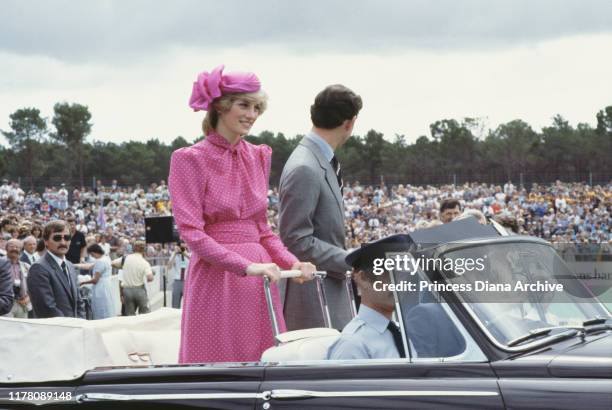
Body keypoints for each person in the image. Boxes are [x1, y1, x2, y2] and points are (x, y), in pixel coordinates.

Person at [168, 64, 315, 364]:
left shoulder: (258, 155)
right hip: (216, 276)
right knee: (217, 362)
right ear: (221, 107)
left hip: (259, 277)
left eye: (256, 107)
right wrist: (246, 267)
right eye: (243, 105)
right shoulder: (189, 159)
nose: (251, 114)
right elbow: (192, 232)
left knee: (263, 362)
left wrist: (293, 262)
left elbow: (262, 229)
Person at [279, 84, 363, 331]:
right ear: (349, 123)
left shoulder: (315, 160)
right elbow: (296, 240)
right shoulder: (305, 166)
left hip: (323, 292)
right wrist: (355, 260)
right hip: (312, 301)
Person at [327, 235, 410, 360]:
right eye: (391, 271)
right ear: (363, 279)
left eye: (403, 273)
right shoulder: (352, 345)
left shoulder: (403, 332)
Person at [27, 220, 85, 318]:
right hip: (56, 330)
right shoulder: (38, 268)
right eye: (57, 238)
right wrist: (70, 327)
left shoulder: (70, 266)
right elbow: (47, 308)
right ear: (46, 241)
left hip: (76, 329)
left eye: (67, 238)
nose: (63, 242)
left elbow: (79, 302)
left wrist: (80, 324)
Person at [111, 240, 153, 316]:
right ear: (144, 250)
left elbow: (113, 263)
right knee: (145, 314)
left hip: (127, 291)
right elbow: (150, 278)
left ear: (133, 248)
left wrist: (122, 267)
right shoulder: (144, 262)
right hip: (139, 290)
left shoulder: (125, 258)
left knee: (130, 316)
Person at [77, 244, 116, 319]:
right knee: (107, 306)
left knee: (100, 307)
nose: (92, 256)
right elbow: (89, 266)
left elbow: (95, 280)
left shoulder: (100, 262)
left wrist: (83, 283)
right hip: (107, 285)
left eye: (92, 254)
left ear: (94, 252)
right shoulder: (106, 258)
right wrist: (76, 265)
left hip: (101, 287)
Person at [3, 239, 32, 318]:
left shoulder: (26, 266)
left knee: (22, 328)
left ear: (21, 250)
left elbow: (32, 285)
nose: (15, 249)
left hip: (23, 304)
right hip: (5, 305)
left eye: (18, 247)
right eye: (11, 246)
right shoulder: (1, 264)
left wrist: (28, 297)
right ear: (6, 248)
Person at [167, 240, 191, 309]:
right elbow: (169, 267)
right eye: (180, 245)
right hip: (177, 281)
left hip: (187, 281)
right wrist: (174, 253)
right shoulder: (175, 255)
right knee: (175, 304)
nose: (182, 247)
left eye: (184, 244)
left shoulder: (190, 254)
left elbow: (192, 260)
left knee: (188, 305)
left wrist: (184, 253)